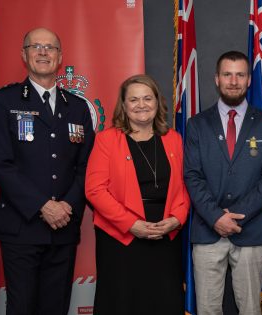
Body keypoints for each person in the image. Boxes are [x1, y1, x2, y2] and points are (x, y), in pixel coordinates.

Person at [0, 27, 95, 315]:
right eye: (36, 47)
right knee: (22, 308)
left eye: (50, 47)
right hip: (22, 228)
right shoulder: (4, 102)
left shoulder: (79, 107)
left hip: (63, 229)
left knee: (55, 308)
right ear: (24, 54)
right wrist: (43, 206)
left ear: (59, 57)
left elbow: (87, 165)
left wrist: (66, 206)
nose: (43, 52)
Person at [183, 50, 262, 315]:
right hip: (207, 229)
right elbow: (192, 175)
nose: (234, 81)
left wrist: (237, 217)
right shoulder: (197, 124)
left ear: (250, 80)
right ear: (217, 79)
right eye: (227, 74)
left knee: (250, 309)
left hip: (250, 231)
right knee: (207, 309)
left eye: (240, 75)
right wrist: (216, 217)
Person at [85, 74, 189, 315]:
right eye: (134, 100)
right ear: (123, 105)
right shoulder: (106, 140)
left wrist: (176, 219)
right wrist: (131, 224)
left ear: (157, 102)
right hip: (121, 238)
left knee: (164, 302)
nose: (141, 105)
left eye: (147, 98)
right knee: (123, 303)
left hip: (165, 235)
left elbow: (185, 186)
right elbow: (95, 190)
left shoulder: (173, 139)